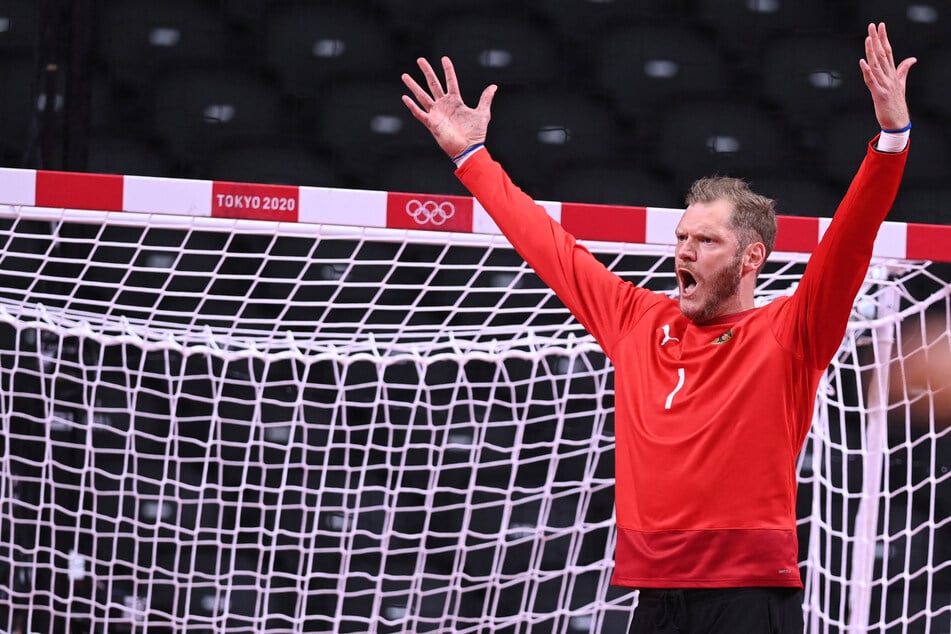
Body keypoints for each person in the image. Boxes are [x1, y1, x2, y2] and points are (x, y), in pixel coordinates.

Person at [401, 22, 915, 634]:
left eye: (706, 240)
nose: (685, 252)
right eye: (681, 238)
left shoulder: (791, 332)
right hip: (652, 599)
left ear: (751, 259)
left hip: (748, 599)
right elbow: (546, 244)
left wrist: (890, 139)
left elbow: (852, 240)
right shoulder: (637, 320)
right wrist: (471, 156)